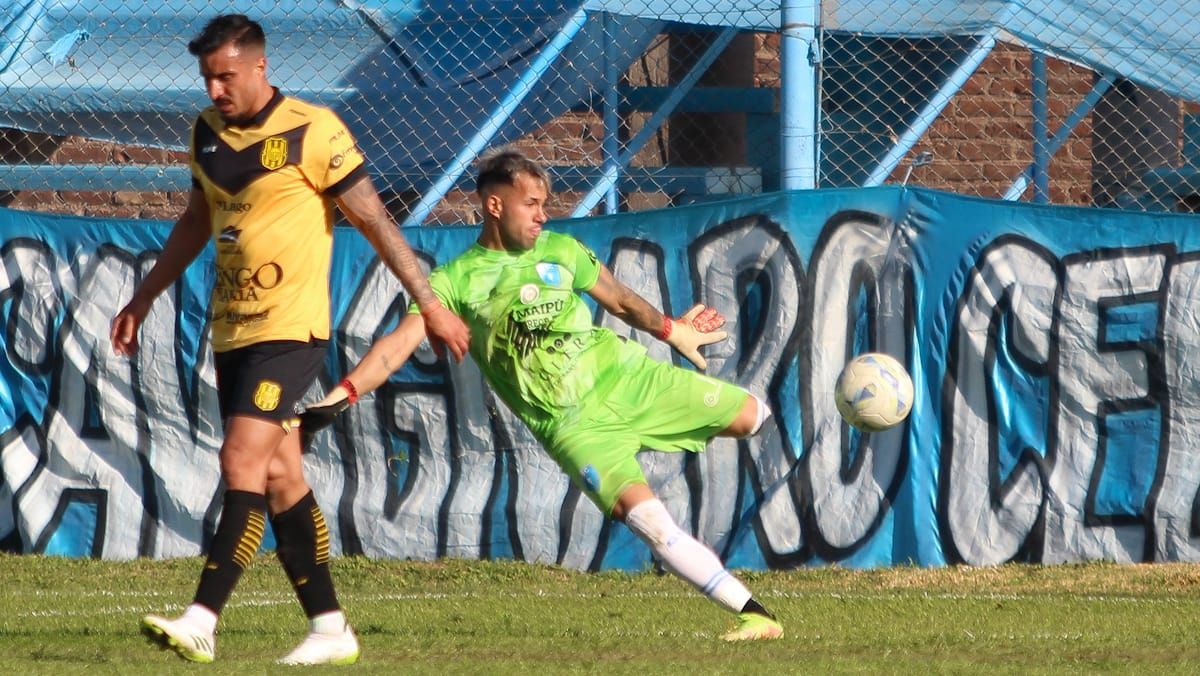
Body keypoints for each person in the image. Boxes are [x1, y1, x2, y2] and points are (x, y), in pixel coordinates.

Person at [298, 148, 784, 641]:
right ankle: (756, 615)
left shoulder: (561, 250)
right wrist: (343, 393)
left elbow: (619, 299)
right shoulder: (455, 281)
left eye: (544, 203)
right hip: (573, 427)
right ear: (494, 205)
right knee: (648, 522)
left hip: (630, 380)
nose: (542, 214)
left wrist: (671, 331)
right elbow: (394, 347)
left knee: (750, 416)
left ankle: (859, 421)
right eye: (530, 203)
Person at [109, 14, 469, 666]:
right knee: (279, 474)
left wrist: (430, 305)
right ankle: (330, 627)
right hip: (232, 329)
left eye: (225, 77)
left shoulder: (313, 129)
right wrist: (143, 297)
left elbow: (375, 220)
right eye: (207, 78)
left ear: (259, 68)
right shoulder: (206, 133)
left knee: (240, 461)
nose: (215, 90)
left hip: (291, 331)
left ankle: (202, 619)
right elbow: (195, 220)